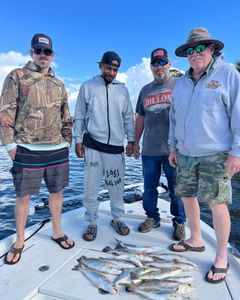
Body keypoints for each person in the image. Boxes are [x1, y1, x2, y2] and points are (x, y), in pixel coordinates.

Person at [168, 27, 240, 283]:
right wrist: (173, 146)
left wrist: (237, 152)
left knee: (217, 204)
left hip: (216, 154)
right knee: (187, 196)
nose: (194, 53)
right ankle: (196, 239)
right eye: (190, 50)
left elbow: (238, 115)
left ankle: (221, 256)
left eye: (200, 48)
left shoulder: (228, 73)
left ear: (211, 49)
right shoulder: (182, 82)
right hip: (185, 152)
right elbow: (174, 117)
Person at [0, 33, 75, 265]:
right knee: (23, 197)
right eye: (39, 51)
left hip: (56, 149)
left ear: (52, 56)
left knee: (57, 193)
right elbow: (5, 111)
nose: (43, 56)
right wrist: (10, 145)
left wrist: (67, 142)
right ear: (32, 53)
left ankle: (57, 232)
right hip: (26, 149)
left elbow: (66, 118)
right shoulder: (16, 76)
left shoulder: (59, 83)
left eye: (48, 52)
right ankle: (20, 241)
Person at [74, 51, 134, 241]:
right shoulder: (87, 87)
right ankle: (91, 222)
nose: (111, 72)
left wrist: (131, 140)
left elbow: (128, 118)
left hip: (116, 147)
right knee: (90, 187)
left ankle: (117, 219)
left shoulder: (123, 90)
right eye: (108, 67)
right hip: (92, 146)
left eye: (115, 69)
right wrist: (77, 139)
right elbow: (80, 115)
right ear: (101, 66)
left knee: (116, 187)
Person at [133, 48, 186, 240]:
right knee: (149, 188)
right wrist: (135, 142)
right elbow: (140, 117)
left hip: (174, 150)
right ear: (150, 66)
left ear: (169, 64)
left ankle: (179, 221)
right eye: (155, 63)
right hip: (149, 150)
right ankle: (152, 217)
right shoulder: (145, 90)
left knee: (177, 189)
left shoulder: (181, 84)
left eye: (162, 62)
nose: (159, 66)